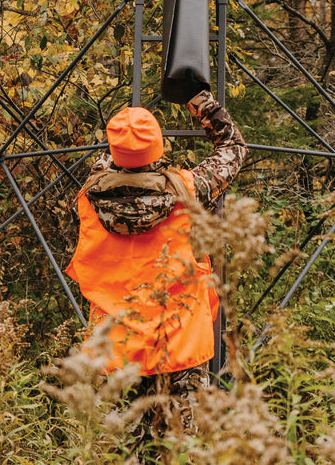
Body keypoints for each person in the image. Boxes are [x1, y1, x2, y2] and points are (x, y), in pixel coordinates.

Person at [65, 90, 247, 438]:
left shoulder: (89, 197)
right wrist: (202, 103)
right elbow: (233, 149)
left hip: (116, 350)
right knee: (179, 451)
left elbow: (107, 164)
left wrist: (122, 148)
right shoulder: (189, 189)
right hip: (180, 345)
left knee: (124, 454)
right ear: (159, 147)